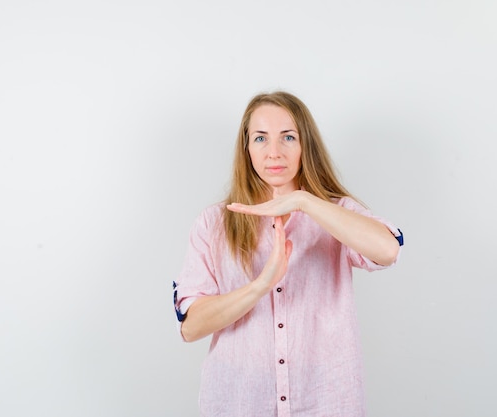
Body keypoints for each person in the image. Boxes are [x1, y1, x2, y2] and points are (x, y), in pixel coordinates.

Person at [173, 91, 404, 417]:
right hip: (239, 403)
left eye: (288, 137)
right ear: (246, 148)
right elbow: (191, 327)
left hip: (326, 403)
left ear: (304, 145)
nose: (274, 152)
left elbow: (387, 250)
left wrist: (304, 202)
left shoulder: (335, 212)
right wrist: (260, 285)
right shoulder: (213, 224)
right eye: (261, 138)